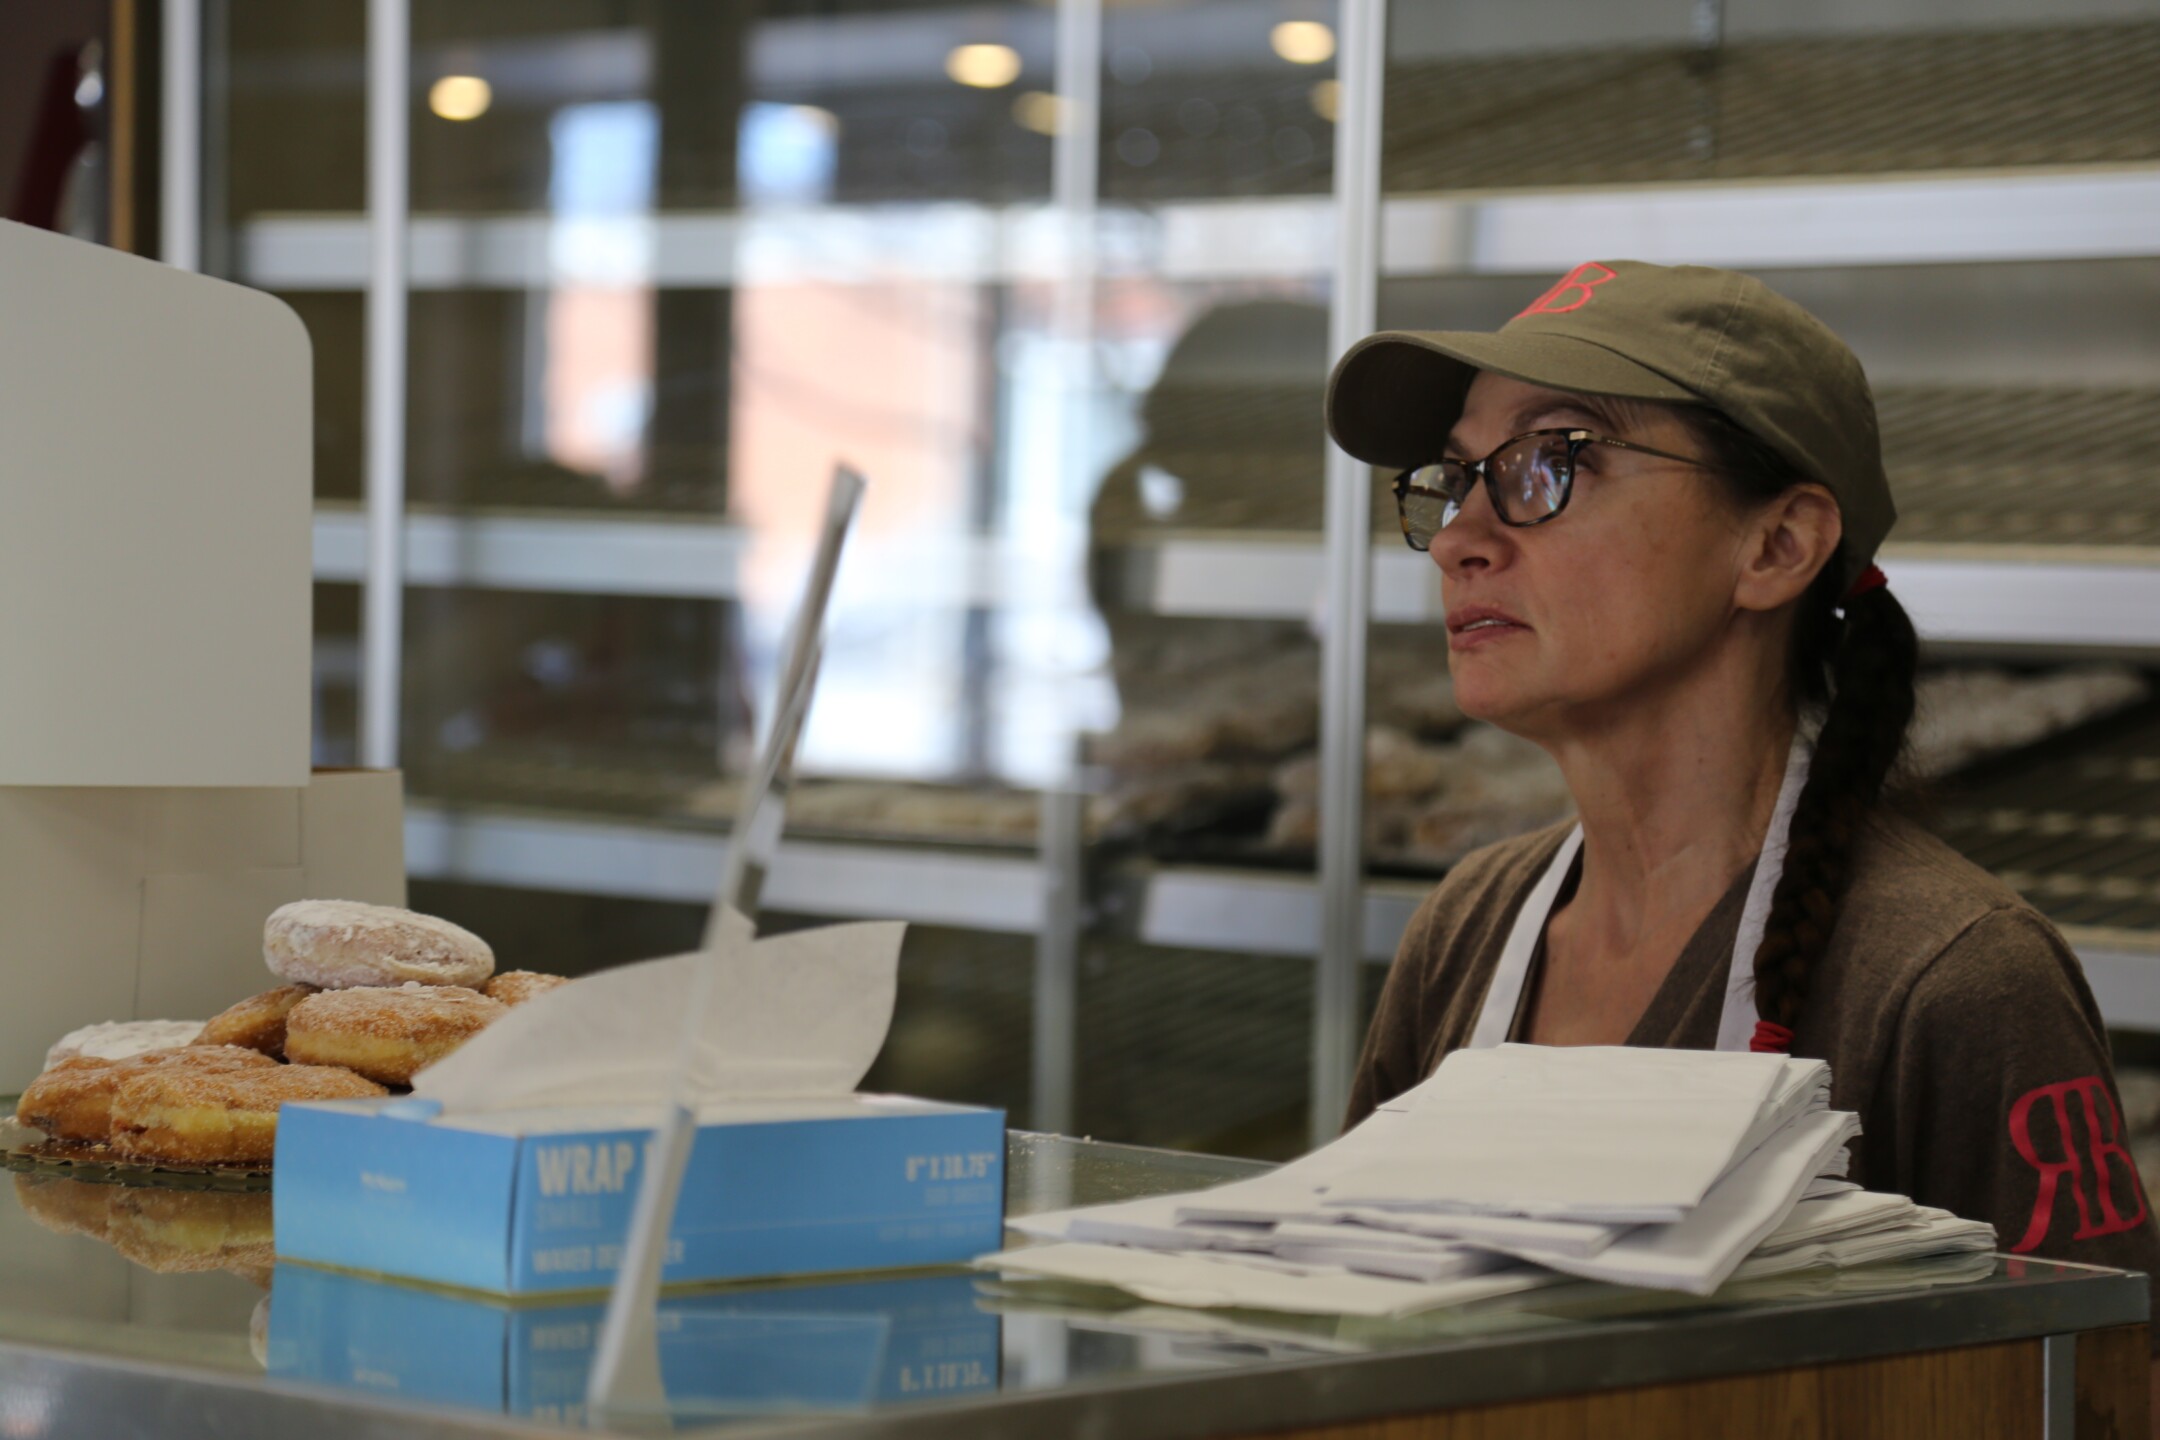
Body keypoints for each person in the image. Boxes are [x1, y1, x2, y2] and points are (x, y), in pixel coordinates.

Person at [1325, 261, 2160, 1362]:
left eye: (1548, 462)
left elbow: (2091, 1399)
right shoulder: (1473, 926)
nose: (1461, 535)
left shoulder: (1951, 981)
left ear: (1776, 545)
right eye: (1456, 475)